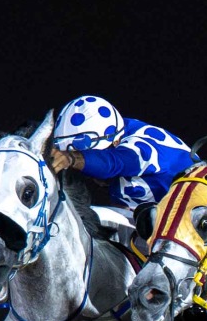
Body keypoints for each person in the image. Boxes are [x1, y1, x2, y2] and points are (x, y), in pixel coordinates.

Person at [49, 94, 197, 246]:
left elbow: (112, 164)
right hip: (163, 218)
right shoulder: (114, 130)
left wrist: (72, 158)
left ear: (116, 141)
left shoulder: (142, 148)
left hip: (196, 226)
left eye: (97, 153)